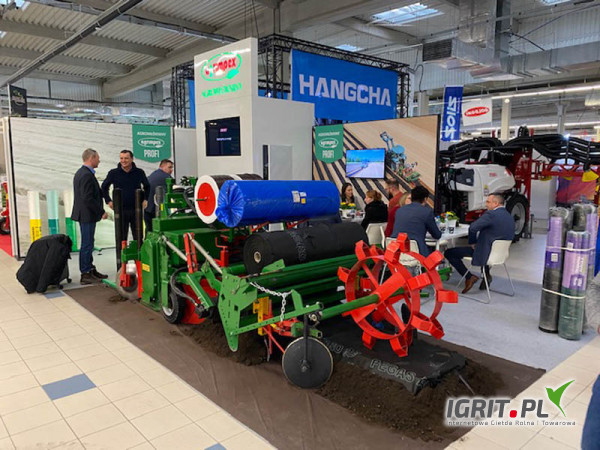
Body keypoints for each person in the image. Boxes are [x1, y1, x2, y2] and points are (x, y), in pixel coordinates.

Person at [445, 193, 514, 293]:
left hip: (486, 253)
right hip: (500, 254)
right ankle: (486, 274)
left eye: (488, 202)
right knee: (485, 244)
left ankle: (469, 277)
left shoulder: (491, 215)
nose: (486, 204)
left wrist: (472, 242)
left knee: (449, 253)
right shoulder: (509, 216)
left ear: (496, 203)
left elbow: (473, 228)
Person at [71, 148, 108, 285]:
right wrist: (101, 211)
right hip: (87, 215)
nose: (99, 161)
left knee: (89, 242)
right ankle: (85, 273)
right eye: (97, 158)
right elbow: (88, 197)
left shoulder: (82, 172)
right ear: (91, 158)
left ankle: (90, 269)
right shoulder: (86, 175)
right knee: (87, 244)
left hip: (86, 214)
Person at [101, 150, 150, 241]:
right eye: (121, 158)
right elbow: (104, 187)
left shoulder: (139, 172)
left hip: (136, 209)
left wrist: (146, 199)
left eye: (126, 158)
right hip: (120, 210)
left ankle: (138, 250)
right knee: (121, 237)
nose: (123, 161)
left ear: (132, 159)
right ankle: (122, 250)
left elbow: (147, 186)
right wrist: (108, 201)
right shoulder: (113, 173)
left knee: (138, 236)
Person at [391, 186, 440, 255]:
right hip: (416, 252)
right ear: (425, 199)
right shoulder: (426, 212)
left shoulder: (399, 210)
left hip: (396, 250)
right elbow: (437, 235)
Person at [144, 159, 173, 232]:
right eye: (169, 167)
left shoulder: (153, 174)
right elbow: (174, 190)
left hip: (147, 209)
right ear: (162, 166)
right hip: (155, 210)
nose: (171, 170)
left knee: (149, 230)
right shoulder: (166, 177)